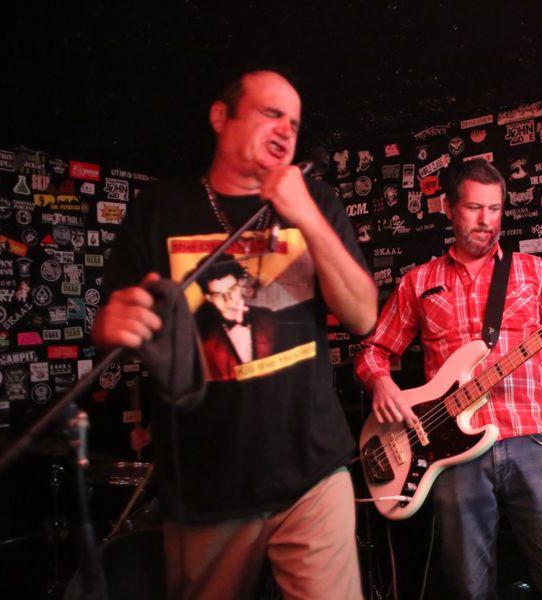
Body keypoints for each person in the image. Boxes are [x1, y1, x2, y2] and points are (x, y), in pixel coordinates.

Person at [92, 68, 376, 600]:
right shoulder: (159, 208)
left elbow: (362, 316)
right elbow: (111, 321)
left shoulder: (317, 200)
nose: (287, 130)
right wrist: (111, 326)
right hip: (206, 482)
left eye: (295, 123)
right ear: (221, 117)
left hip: (312, 470)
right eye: (272, 113)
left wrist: (305, 216)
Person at [355, 158, 542, 600]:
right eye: (474, 208)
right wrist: (381, 383)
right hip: (449, 452)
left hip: (533, 439)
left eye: (495, 209)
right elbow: (373, 350)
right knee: (468, 587)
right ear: (448, 207)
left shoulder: (535, 272)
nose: (486, 220)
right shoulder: (418, 282)